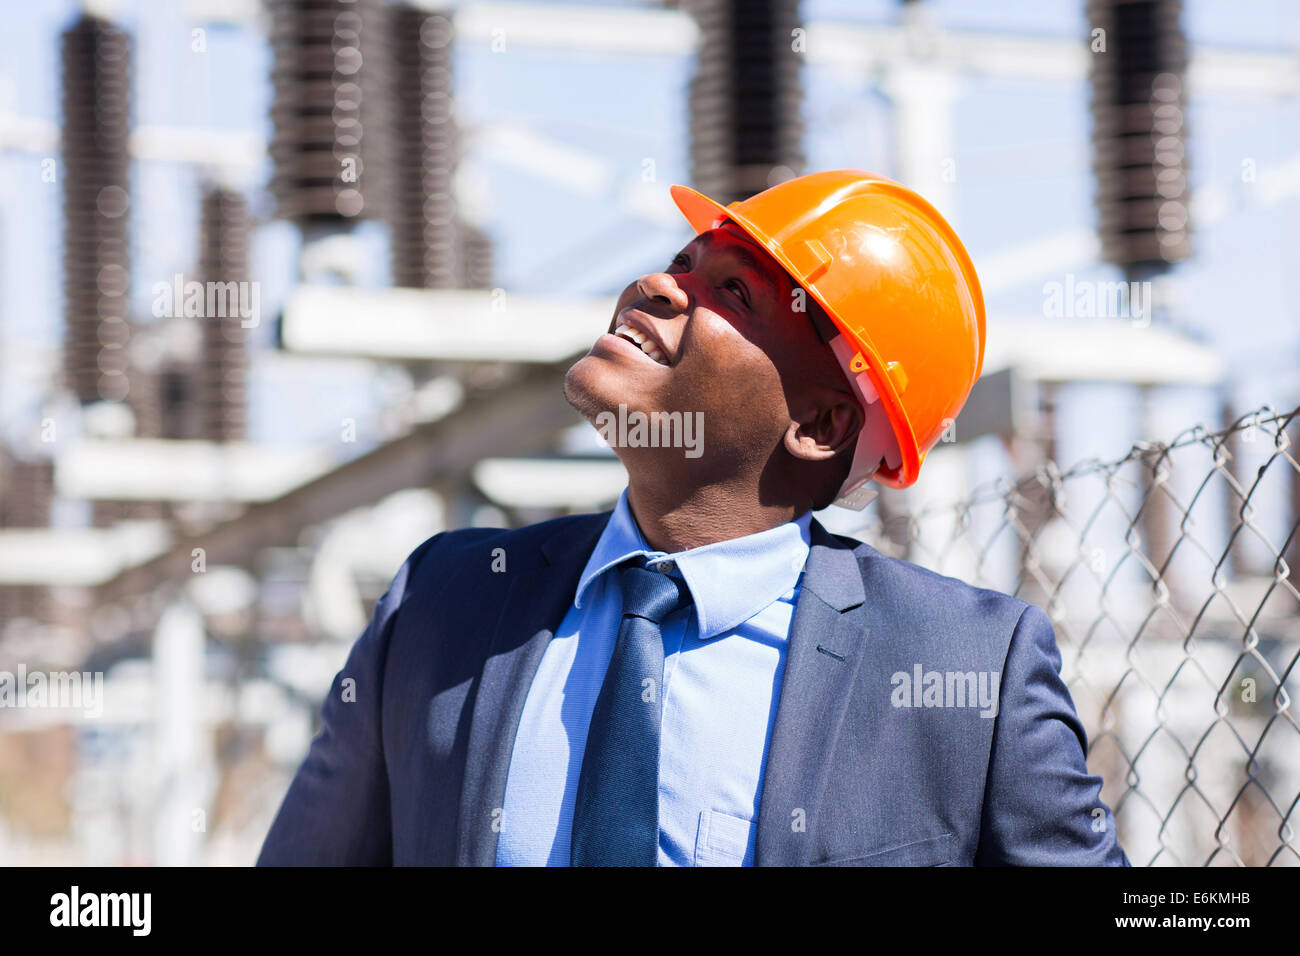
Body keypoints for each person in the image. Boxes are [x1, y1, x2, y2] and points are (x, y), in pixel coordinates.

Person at [257, 169, 1129, 866]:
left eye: (735, 294)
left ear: (820, 425)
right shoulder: (441, 605)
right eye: (681, 264)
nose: (658, 286)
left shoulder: (968, 670)